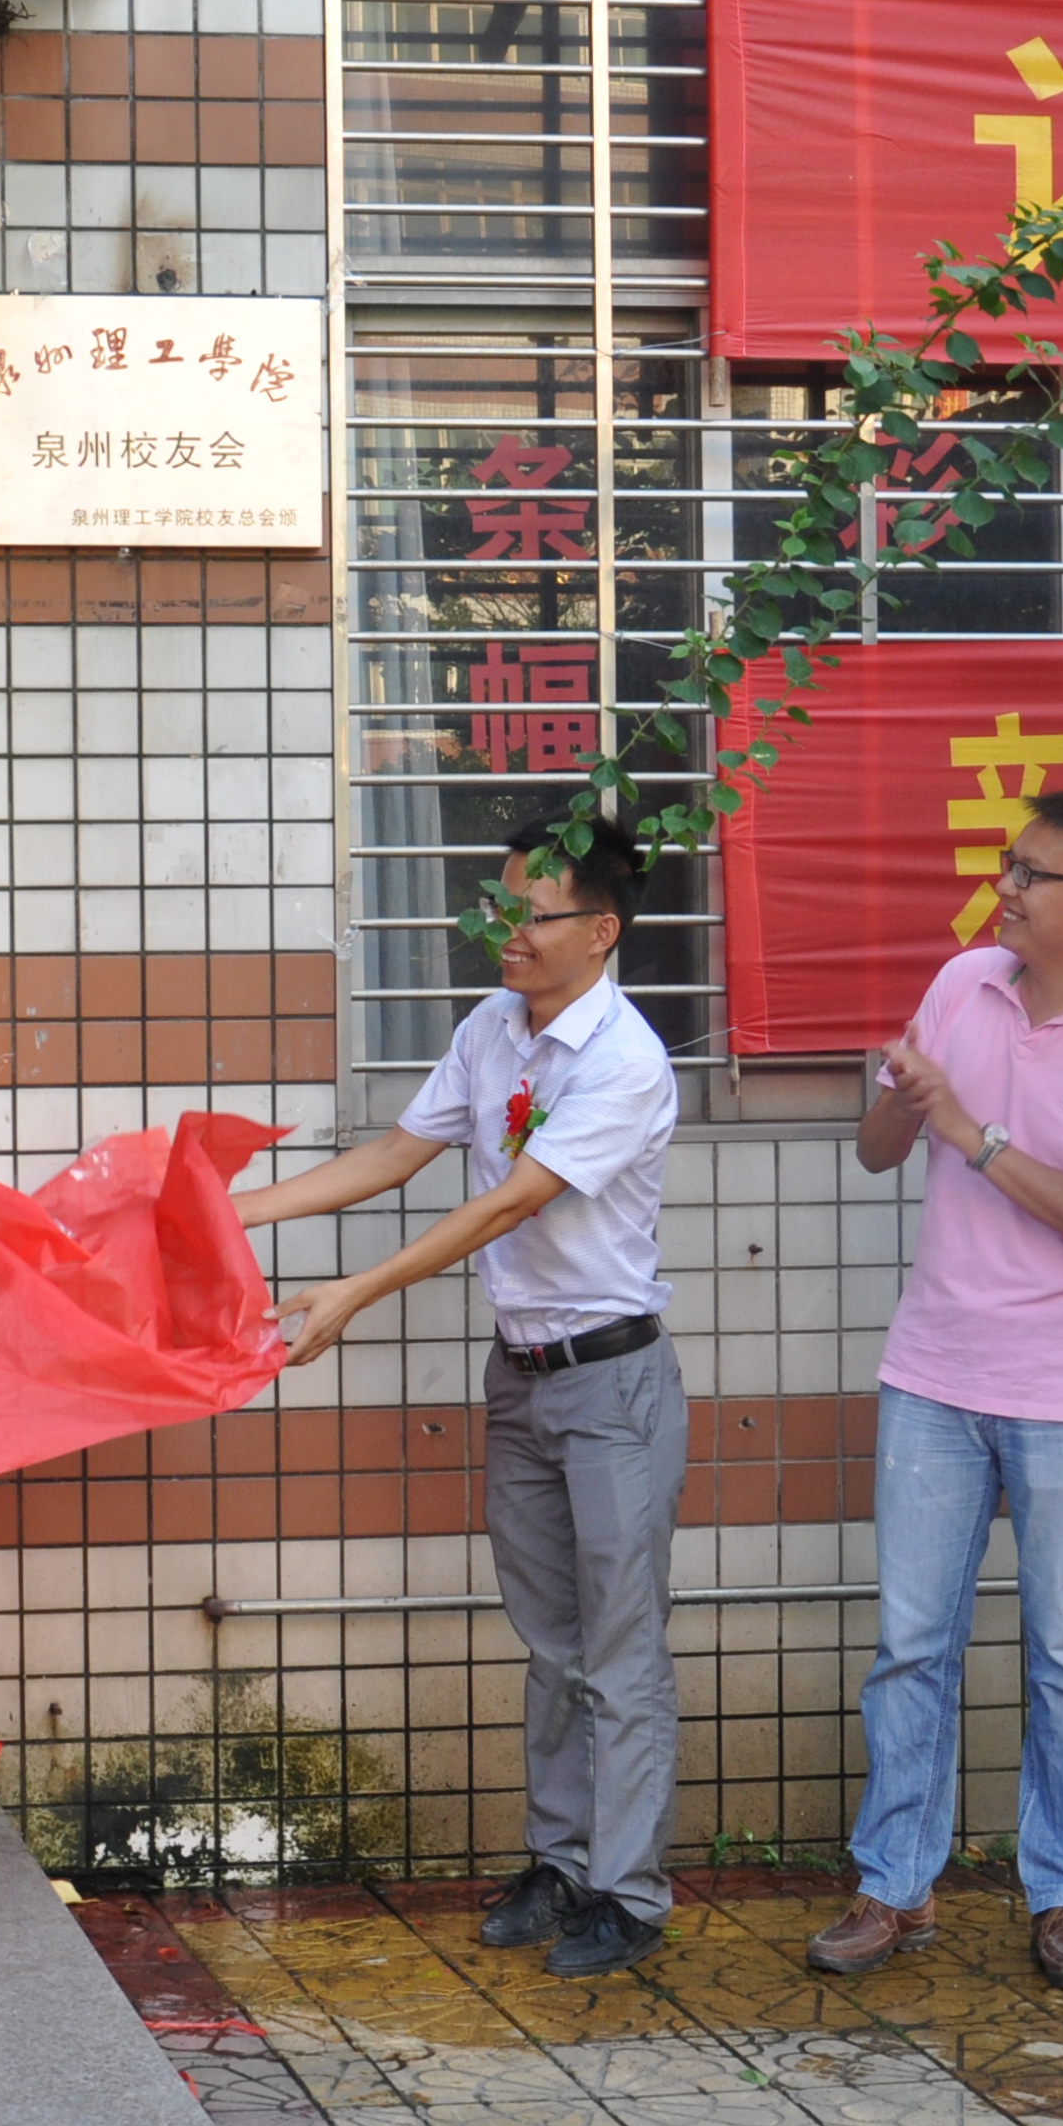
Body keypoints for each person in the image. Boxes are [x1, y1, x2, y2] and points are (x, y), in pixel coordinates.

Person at [235, 822, 686, 1978]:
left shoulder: (624, 1059)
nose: (507, 933)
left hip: (611, 1384)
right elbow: (392, 1156)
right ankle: (561, 1863)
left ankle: (628, 1892)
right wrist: (233, 1212)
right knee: (552, 1643)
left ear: (600, 930)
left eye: (533, 915)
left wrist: (354, 1293)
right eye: (499, 909)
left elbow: (506, 1204)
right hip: (520, 1377)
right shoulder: (492, 1028)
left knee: (619, 1648)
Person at [817, 787, 1063, 1994]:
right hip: (932, 1369)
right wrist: (903, 1098)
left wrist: (973, 1130)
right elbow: (878, 1148)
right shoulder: (962, 981)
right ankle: (895, 1885)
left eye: (1032, 873)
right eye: (1007, 865)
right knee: (910, 1644)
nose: (1006, 888)